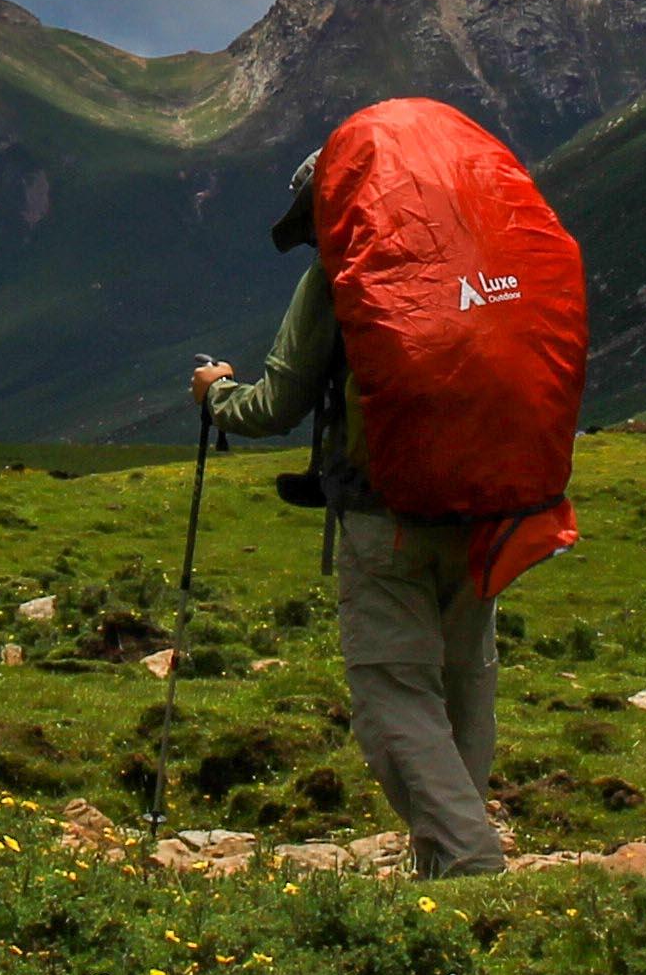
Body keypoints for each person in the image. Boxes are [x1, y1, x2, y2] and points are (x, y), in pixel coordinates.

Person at [194, 149, 502, 878]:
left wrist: (215, 395)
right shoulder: (477, 249)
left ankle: (467, 862)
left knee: (393, 695)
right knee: (467, 684)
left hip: (382, 515)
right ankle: (451, 865)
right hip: (487, 505)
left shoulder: (344, 274)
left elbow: (278, 402)